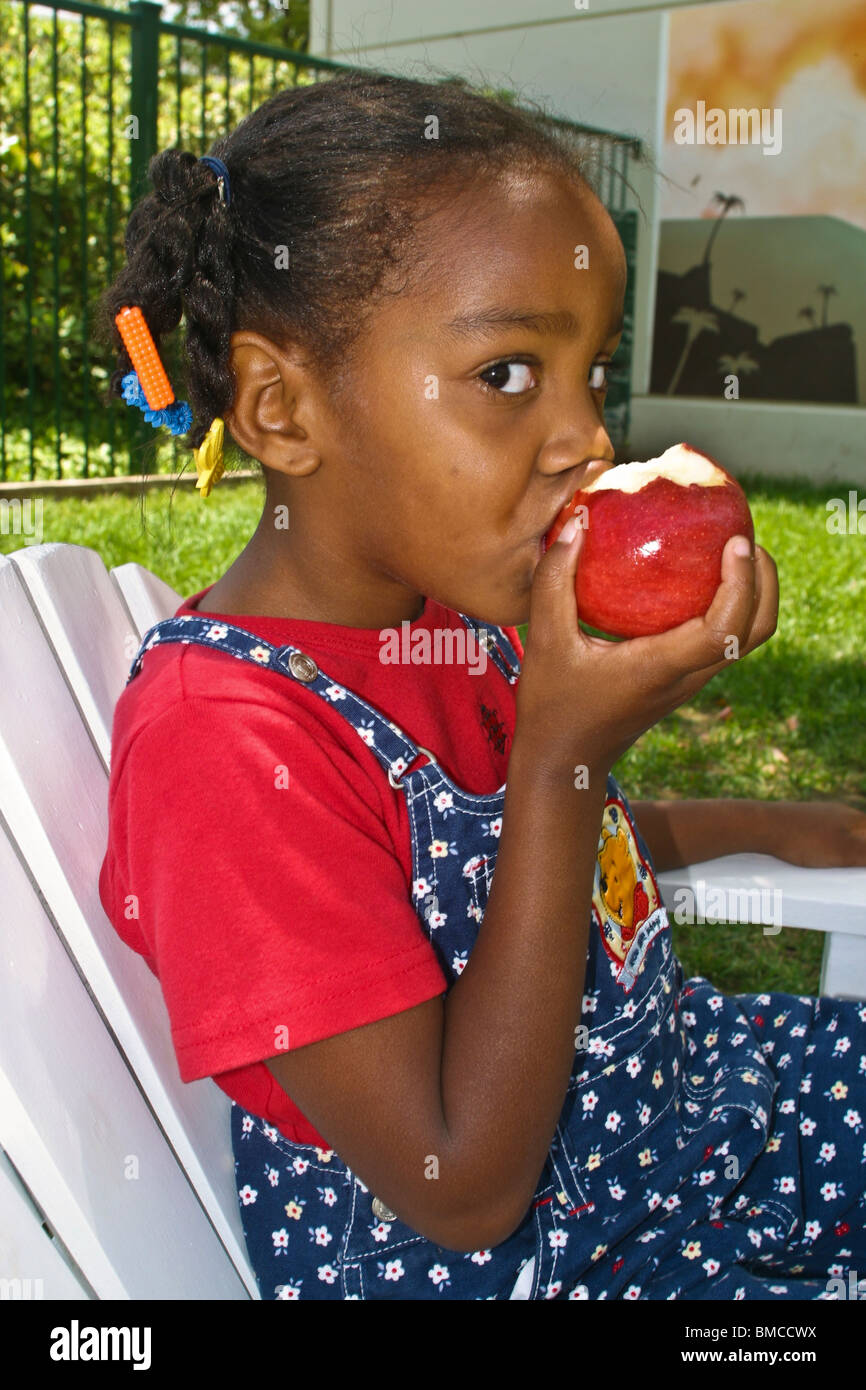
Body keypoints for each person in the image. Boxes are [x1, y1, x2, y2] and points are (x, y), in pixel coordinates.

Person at [96, 70, 866, 1301]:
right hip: (559, 1257)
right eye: (506, 373)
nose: (588, 441)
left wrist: (766, 823)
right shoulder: (226, 745)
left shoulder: (455, 630)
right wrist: (563, 756)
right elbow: (457, 1184)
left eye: (590, 374)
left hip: (690, 1120)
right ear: (282, 409)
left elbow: (541, 869)